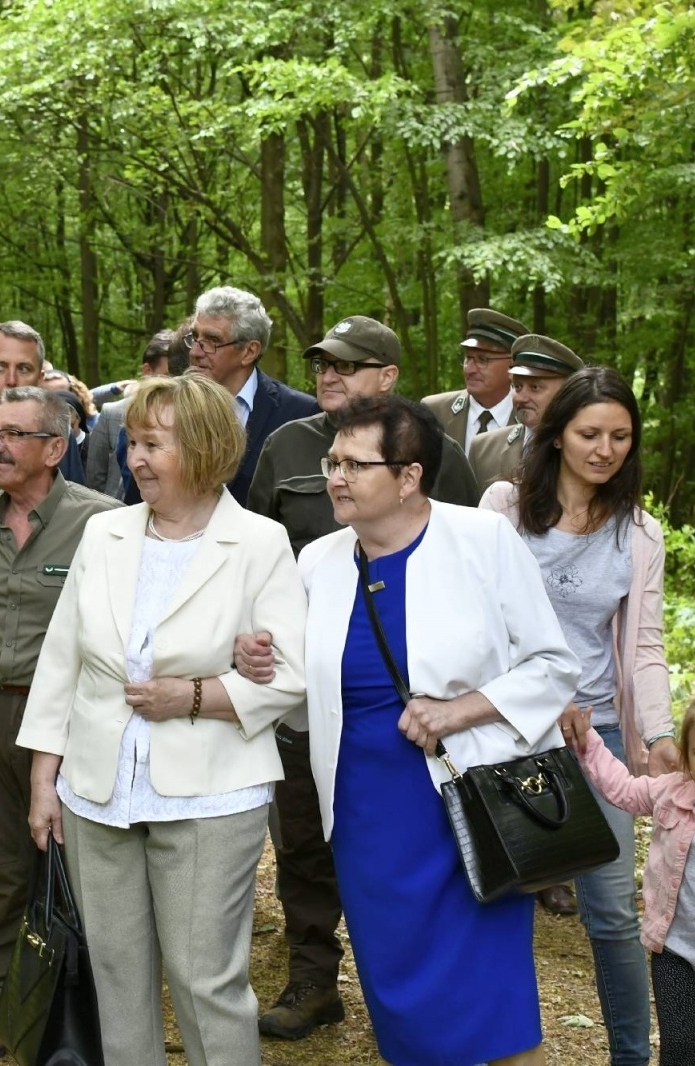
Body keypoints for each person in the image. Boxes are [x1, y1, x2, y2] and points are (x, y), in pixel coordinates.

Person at [17, 373, 308, 1066]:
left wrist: (197, 696)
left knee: (206, 979)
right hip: (96, 789)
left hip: (212, 792)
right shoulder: (106, 533)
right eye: (135, 444)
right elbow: (63, 661)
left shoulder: (261, 542)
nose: (135, 458)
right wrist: (43, 780)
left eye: (154, 444)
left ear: (205, 449)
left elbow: (292, 679)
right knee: (117, 978)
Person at [292, 393, 577, 1065]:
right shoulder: (317, 563)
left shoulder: (482, 540)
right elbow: (298, 692)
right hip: (365, 812)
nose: (335, 477)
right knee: (398, 994)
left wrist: (459, 709)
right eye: (332, 462)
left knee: (493, 998)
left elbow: (553, 665)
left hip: (472, 804)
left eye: (354, 464)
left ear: (409, 474)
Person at [243, 315, 477, 1041]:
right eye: (321, 364)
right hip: (307, 688)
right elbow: (255, 551)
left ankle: (410, 991)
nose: (328, 375)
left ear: (387, 377)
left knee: (407, 856)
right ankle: (313, 977)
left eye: (346, 365)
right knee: (305, 843)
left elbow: (465, 559)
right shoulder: (285, 446)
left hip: (407, 697)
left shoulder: (429, 450)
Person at [480, 366, 676, 1066]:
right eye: (590, 433)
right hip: (508, 734)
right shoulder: (503, 507)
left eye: (621, 436)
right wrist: (538, 692)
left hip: (600, 738)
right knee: (499, 898)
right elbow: (478, 622)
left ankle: (631, 1054)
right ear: (557, 433)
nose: (605, 449)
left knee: (614, 912)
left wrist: (658, 734)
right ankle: (499, 1044)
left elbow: (644, 645)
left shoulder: (638, 531)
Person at [0, 387, 122, 1060]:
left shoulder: (106, 524)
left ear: (55, 446)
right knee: (2, 856)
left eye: (15, 434)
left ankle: (95, 999)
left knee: (82, 856)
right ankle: (9, 994)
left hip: (74, 713)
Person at [563, 692, 695, 1066]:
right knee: (681, 1050)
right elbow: (622, 789)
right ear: (687, 759)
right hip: (677, 954)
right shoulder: (670, 794)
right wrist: (589, 741)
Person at [124, 285, 316, 508]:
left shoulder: (298, 413)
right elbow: (136, 501)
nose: (195, 352)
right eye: (194, 337)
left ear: (249, 351)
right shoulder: (164, 406)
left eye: (212, 341)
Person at [468, 334, 586, 489]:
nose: (521, 398)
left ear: (566, 392)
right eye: (517, 387)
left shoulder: (587, 449)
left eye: (535, 387)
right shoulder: (484, 449)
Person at [90, 328, 187, 499]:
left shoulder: (190, 417)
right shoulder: (112, 414)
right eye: (167, 376)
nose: (173, 385)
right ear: (147, 371)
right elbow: (94, 478)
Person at [421, 308, 525, 454]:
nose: (469, 369)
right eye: (468, 358)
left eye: (482, 360)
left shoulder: (530, 418)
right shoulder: (435, 412)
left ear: (512, 365)